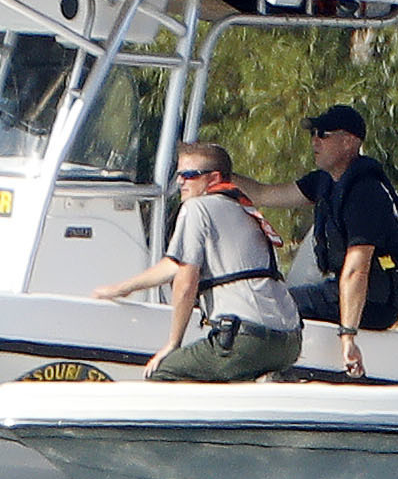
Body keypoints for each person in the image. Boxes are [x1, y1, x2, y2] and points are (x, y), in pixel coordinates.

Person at [96, 141, 301, 384]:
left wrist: (173, 344)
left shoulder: (197, 207)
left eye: (189, 175)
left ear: (213, 178)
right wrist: (121, 289)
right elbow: (174, 265)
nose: (180, 182)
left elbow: (186, 280)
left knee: (163, 373)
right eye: (178, 174)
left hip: (247, 340)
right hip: (289, 341)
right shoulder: (241, 207)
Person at [292, 103, 398, 382]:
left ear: (349, 142)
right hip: (338, 294)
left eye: (323, 134)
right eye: (313, 134)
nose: (315, 141)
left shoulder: (365, 193)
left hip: (374, 305)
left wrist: (347, 337)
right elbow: (268, 194)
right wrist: (215, 175)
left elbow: (358, 269)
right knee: (271, 298)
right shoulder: (326, 181)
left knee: (271, 303)